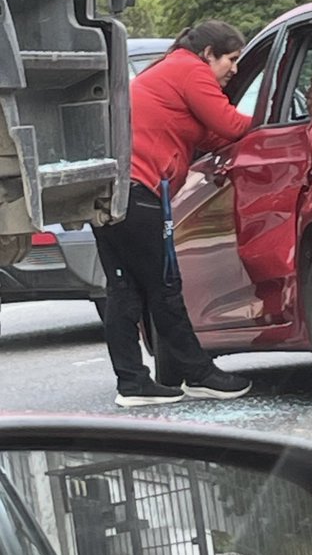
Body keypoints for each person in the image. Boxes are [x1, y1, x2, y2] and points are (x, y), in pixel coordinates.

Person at [93, 20, 254, 408]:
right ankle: (199, 375)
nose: (235, 69)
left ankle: (132, 382)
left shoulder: (169, 71)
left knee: (124, 291)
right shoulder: (190, 69)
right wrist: (271, 118)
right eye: (231, 59)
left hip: (113, 192)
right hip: (141, 192)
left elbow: (209, 136)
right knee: (163, 287)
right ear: (208, 54)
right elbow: (231, 125)